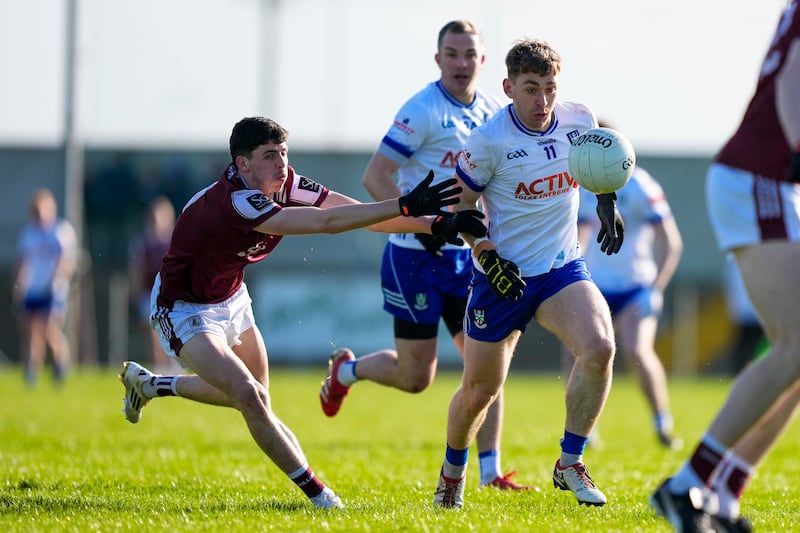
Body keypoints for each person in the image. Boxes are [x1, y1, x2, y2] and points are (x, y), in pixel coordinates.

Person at [118, 116, 484, 510]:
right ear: (242, 165)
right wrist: (404, 202)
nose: (282, 165)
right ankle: (321, 498)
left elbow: (354, 212)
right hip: (184, 308)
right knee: (249, 395)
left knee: (255, 397)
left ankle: (153, 385)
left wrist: (435, 224)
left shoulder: (285, 181)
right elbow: (327, 223)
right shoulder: (236, 201)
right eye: (269, 156)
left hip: (231, 298)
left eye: (284, 153)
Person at [317, 19, 533, 491]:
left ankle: (491, 472)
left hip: (466, 259)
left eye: (468, 54)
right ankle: (346, 372)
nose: (460, 63)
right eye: (451, 54)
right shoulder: (422, 110)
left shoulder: (497, 109)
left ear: (482, 60)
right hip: (414, 257)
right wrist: (425, 222)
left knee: (486, 365)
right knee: (417, 378)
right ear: (438, 60)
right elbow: (376, 177)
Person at [431, 38, 625, 509]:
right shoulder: (489, 140)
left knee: (600, 348)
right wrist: (487, 254)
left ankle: (570, 463)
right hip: (503, 277)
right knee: (480, 390)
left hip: (561, 269)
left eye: (550, 89)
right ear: (508, 87)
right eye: (531, 89)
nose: (542, 102)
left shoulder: (579, 118)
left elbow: (597, 164)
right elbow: (462, 205)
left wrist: (606, 202)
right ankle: (451, 477)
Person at [650, 1, 800, 531]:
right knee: (795, 344)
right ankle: (689, 484)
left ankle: (724, 492)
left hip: (768, 181)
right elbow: (793, 81)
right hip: (762, 178)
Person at [562, 138, 684, 449]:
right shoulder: (578, 185)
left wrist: (655, 289)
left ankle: (662, 423)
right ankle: (585, 430)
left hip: (635, 287)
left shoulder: (641, 184)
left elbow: (670, 241)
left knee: (637, 351)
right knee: (577, 353)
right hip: (594, 287)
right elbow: (579, 236)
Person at [13, 188, 77, 386]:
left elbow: (66, 260)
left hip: (53, 289)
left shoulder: (60, 231)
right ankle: (32, 369)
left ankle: (61, 364)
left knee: (50, 328)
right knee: (32, 331)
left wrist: (57, 280)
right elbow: (24, 262)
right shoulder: (29, 233)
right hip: (33, 288)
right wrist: (19, 284)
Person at [128, 195, 177, 372]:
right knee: (152, 331)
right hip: (149, 294)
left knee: (170, 331)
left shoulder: (175, 240)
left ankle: (172, 363)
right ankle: (159, 365)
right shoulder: (143, 242)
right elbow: (136, 268)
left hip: (170, 295)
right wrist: (135, 292)